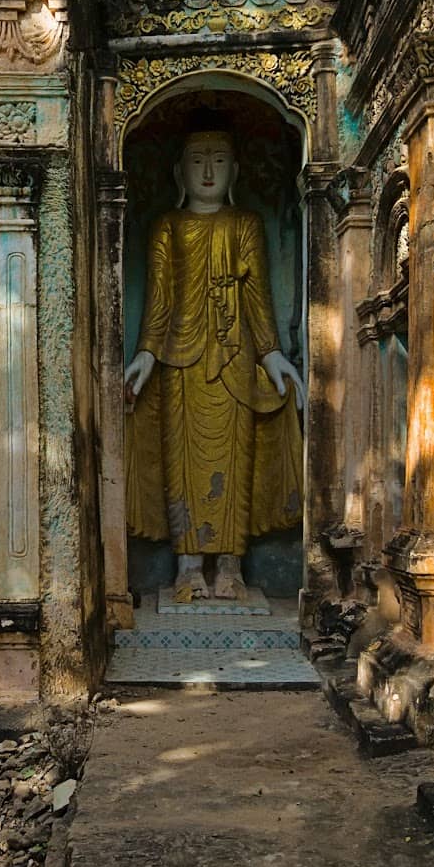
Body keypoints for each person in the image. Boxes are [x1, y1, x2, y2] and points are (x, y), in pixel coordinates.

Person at [124, 124, 304, 601]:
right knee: (182, 461)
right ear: (179, 172)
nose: (208, 171)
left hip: (236, 360)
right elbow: (160, 300)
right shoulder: (167, 226)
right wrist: (144, 353)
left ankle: (230, 567)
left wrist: (271, 356)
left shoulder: (245, 224)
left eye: (219, 160)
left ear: (236, 171)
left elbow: (257, 297)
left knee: (235, 461)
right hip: (179, 361)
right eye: (197, 160)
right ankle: (187, 568)